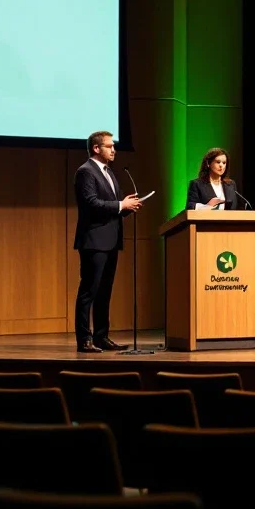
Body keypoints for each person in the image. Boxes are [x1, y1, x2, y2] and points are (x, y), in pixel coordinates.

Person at [73, 131, 143, 353]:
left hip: (111, 240)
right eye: (109, 146)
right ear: (96, 148)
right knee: (89, 292)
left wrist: (127, 206)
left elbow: (113, 206)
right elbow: (91, 203)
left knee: (105, 292)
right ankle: (84, 339)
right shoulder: (85, 172)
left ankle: (102, 336)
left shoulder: (109, 173)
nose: (114, 150)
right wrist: (120, 205)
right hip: (94, 240)